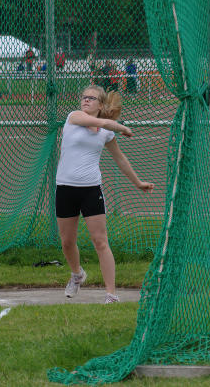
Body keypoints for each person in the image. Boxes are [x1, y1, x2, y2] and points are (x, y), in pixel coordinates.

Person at [55, 85, 154, 303]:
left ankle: (111, 294)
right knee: (67, 242)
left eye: (92, 98)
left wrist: (138, 183)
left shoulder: (107, 132)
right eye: (84, 97)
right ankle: (77, 274)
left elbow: (120, 159)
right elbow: (100, 122)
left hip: (91, 189)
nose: (86, 100)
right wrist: (121, 127)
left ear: (101, 105)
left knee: (100, 241)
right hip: (65, 188)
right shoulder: (75, 117)